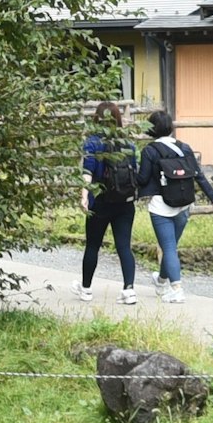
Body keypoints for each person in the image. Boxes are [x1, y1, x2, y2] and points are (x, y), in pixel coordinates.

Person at [135, 109, 213, 305]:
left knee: (169, 248)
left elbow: (142, 178)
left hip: (160, 207)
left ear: (151, 128)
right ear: (170, 127)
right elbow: (198, 175)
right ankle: (161, 280)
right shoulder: (185, 148)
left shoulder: (149, 151)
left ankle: (177, 289)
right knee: (170, 247)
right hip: (184, 204)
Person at [78, 102, 141, 303]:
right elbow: (134, 171)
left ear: (97, 118)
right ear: (118, 118)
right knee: (124, 246)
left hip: (100, 201)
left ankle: (86, 289)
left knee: (93, 245)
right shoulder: (128, 143)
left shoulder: (92, 142)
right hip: (124, 202)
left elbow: (87, 172)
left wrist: (84, 196)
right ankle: (129, 290)